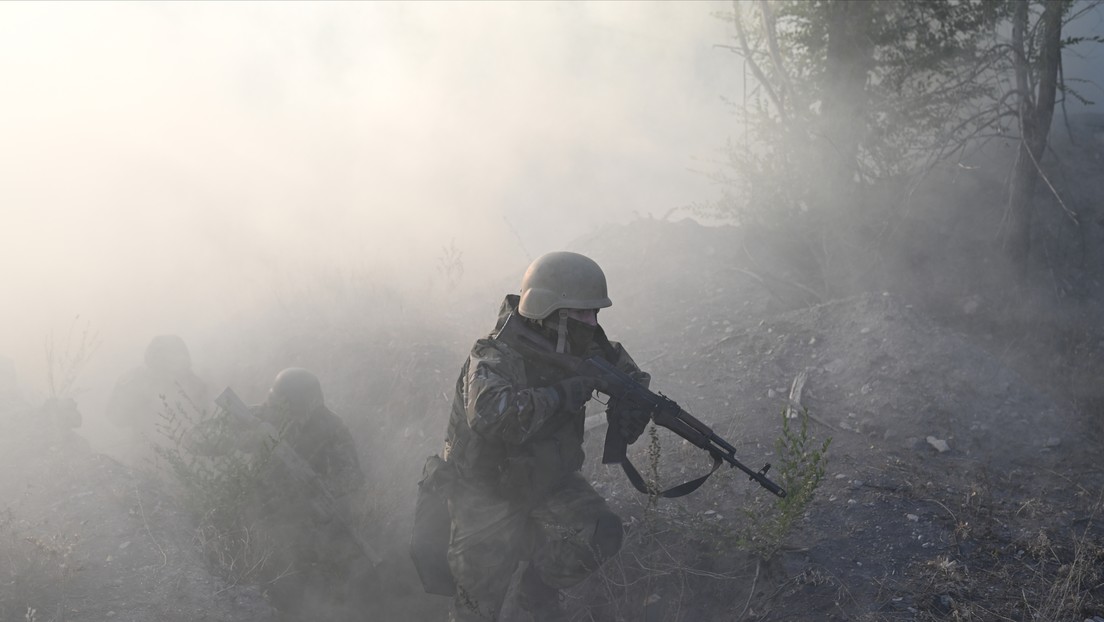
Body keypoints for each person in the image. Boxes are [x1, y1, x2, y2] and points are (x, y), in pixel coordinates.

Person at [441, 251, 651, 622]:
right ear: (552, 313)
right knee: (476, 606)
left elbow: (628, 373)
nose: (593, 321)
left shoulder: (580, 343)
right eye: (584, 313)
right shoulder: (494, 352)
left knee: (600, 533)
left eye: (595, 313)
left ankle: (534, 594)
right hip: (483, 491)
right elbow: (492, 415)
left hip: (547, 478)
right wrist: (568, 391)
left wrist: (635, 404)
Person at [193, 367, 369, 621]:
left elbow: (353, 476)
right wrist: (246, 438)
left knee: (318, 585)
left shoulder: (331, 427)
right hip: (257, 515)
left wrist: (321, 486)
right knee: (263, 586)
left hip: (305, 523)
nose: (299, 415)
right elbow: (195, 439)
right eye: (287, 406)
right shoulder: (263, 415)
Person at [105, 334, 211, 459]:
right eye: (166, 360)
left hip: (193, 457)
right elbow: (117, 418)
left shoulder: (192, 381)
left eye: (176, 359)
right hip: (149, 455)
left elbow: (208, 416)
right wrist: (134, 401)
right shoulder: (135, 381)